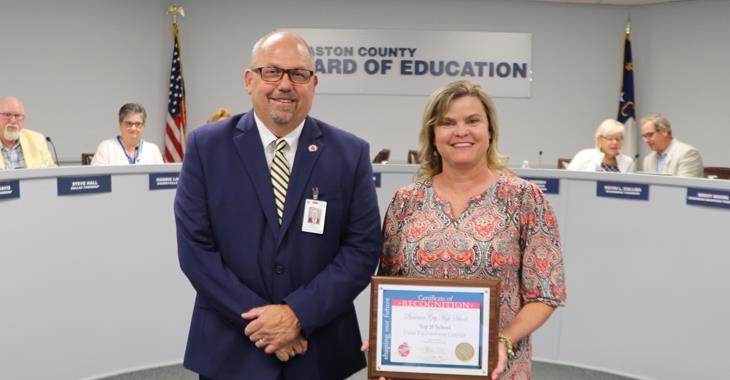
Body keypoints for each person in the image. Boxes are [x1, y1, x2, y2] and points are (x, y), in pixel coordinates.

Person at [174, 31, 382, 380]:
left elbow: (362, 249)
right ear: (249, 80)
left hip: (318, 348)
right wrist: (264, 323)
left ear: (313, 83)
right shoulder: (205, 147)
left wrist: (297, 315)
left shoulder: (350, 153)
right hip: (231, 347)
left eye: (298, 74)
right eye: (272, 72)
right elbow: (196, 250)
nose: (284, 84)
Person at [377, 80, 566, 380]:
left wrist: (505, 339)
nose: (460, 131)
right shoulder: (405, 202)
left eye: (473, 121)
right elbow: (389, 286)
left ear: (490, 131)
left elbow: (545, 293)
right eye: (447, 123)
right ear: (433, 136)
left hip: (497, 369)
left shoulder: (525, 200)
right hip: (418, 368)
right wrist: (382, 344)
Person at [90, 103, 163, 165]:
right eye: (129, 123)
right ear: (120, 124)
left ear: (143, 126)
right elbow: (98, 179)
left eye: (138, 124)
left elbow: (160, 178)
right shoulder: (106, 147)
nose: (133, 128)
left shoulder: (153, 150)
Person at [640, 112, 703, 177]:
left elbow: (683, 185)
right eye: (644, 136)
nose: (646, 141)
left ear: (664, 131)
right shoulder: (648, 160)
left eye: (650, 135)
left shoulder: (688, 153)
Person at [0, 96, 55, 169]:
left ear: (23, 119)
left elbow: (51, 171)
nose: (13, 121)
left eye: (17, 116)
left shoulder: (37, 140)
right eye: (7, 115)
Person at [566, 118, 635, 172]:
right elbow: (568, 179)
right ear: (599, 140)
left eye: (618, 139)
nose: (615, 142)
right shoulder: (584, 156)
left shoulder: (627, 162)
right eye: (610, 138)